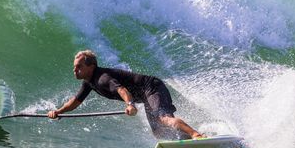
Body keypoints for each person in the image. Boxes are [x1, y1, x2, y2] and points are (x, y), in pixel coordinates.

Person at [48, 50, 204, 140]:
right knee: (158, 131)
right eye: (74, 67)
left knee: (162, 118)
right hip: (145, 95)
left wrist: (130, 104)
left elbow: (122, 90)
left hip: (152, 88)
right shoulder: (89, 82)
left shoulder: (102, 78)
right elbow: (75, 101)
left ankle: (196, 135)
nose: (75, 70)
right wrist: (58, 112)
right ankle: (186, 141)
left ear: (91, 66)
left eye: (79, 67)